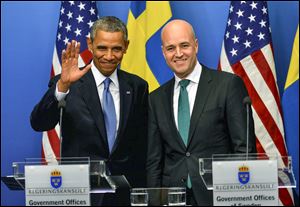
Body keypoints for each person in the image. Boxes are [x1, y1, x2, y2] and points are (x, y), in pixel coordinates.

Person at [30, 16, 148, 205]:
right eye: (102, 48)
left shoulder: (137, 87)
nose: (109, 56)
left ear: (126, 46)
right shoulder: (68, 82)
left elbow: (143, 143)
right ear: (90, 45)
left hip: (125, 194)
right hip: (80, 193)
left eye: (116, 48)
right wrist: (62, 86)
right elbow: (39, 123)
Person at [146, 19, 256, 206]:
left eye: (184, 45)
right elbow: (154, 160)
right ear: (163, 52)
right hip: (173, 198)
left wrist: (236, 196)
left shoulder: (228, 85)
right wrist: (155, 200)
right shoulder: (155, 98)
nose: (178, 54)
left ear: (196, 46)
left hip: (218, 196)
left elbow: (244, 150)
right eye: (171, 48)